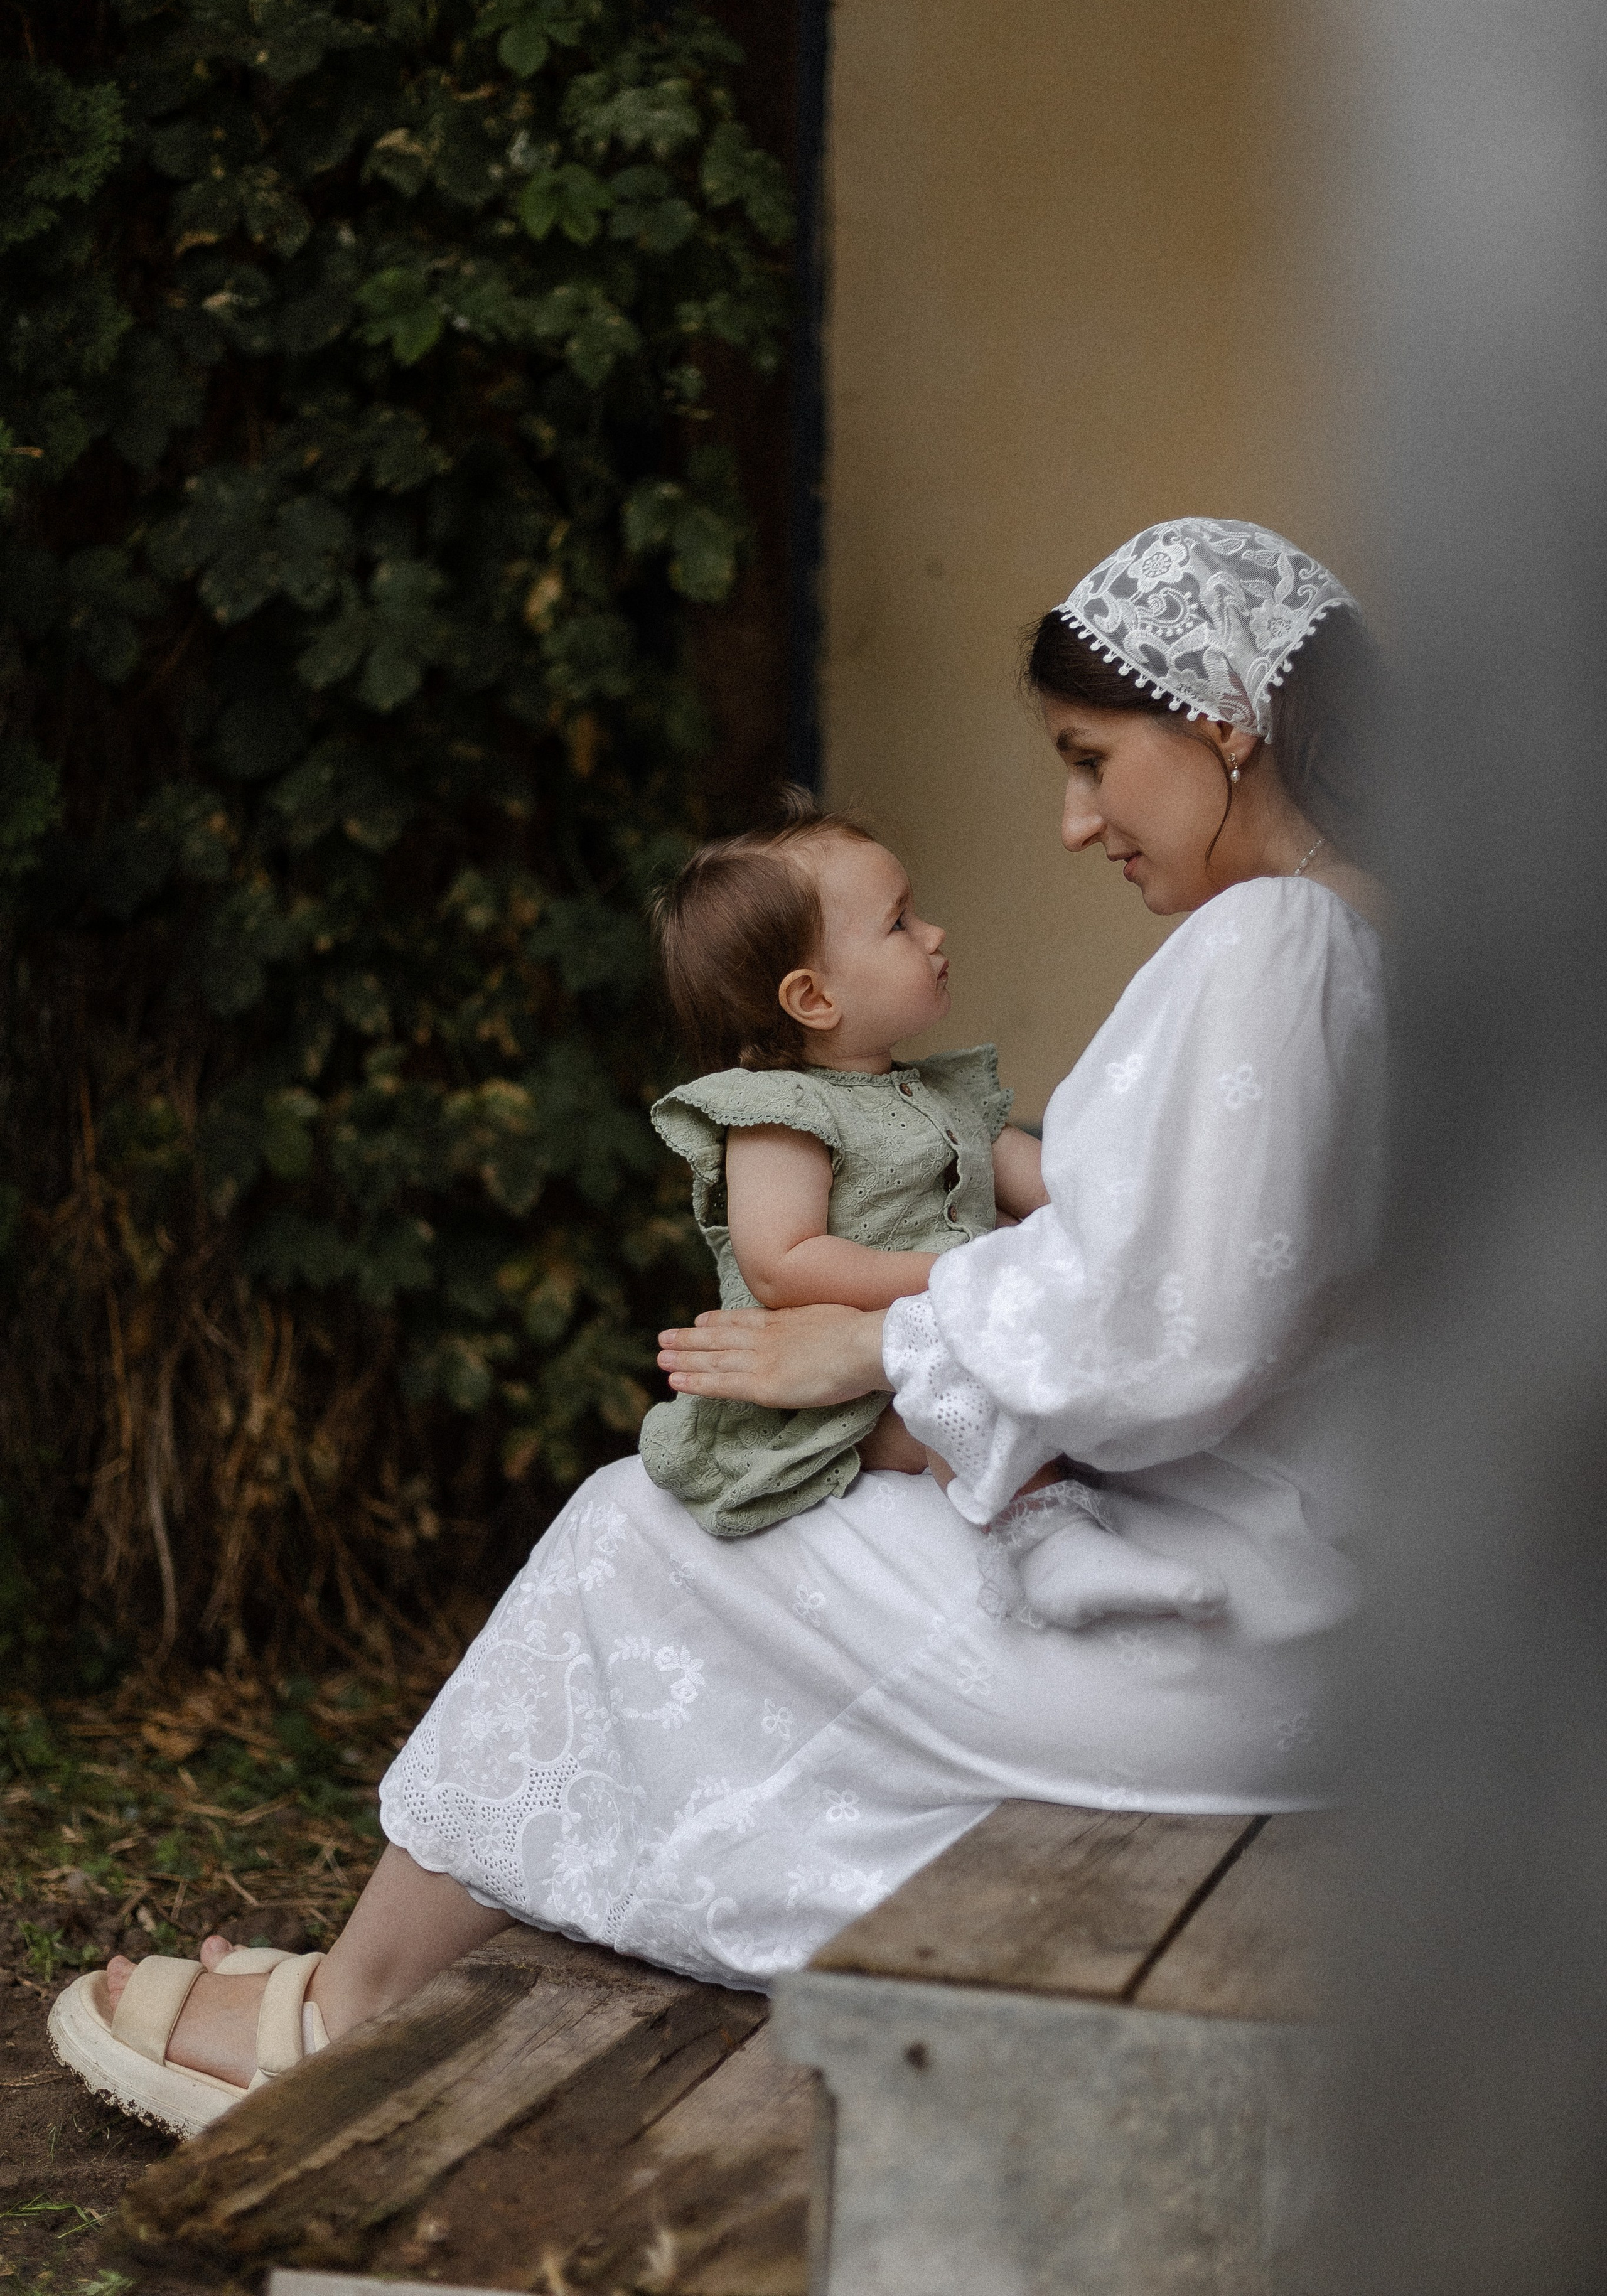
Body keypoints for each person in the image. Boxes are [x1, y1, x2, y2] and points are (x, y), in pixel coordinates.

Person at [50, 517, 1387, 2140]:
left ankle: (345, 2016)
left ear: (1224, 721)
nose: (1072, 822)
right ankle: (387, 1977)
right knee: (749, 1542)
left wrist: (876, 1353)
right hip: (1301, 1629)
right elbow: (1191, 1275)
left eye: (1091, 760)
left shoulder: (1277, 939)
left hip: (1216, 1644)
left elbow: (1175, 1322)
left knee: (646, 1525)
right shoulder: (1387, 942)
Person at [639, 797, 1050, 1533]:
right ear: (813, 997)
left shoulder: (946, 1095)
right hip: (836, 1400)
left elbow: (1065, 1191)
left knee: (1046, 1385)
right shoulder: (779, 1112)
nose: (933, 934)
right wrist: (960, 1270)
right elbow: (784, 1265)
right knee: (973, 1404)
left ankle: (1061, 1511)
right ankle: (1049, 1544)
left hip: (932, 1344)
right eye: (899, 924)